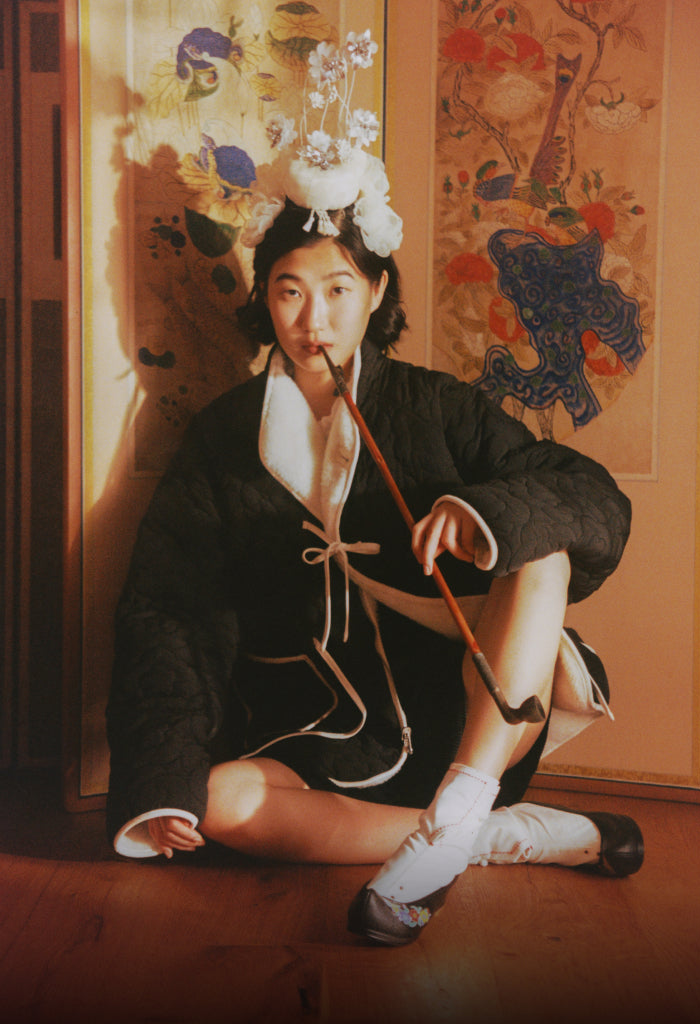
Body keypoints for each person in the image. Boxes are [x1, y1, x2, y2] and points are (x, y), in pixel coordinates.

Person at [106, 32, 643, 947]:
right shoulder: (226, 435)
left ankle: (465, 803)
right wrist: (160, 780)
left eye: (338, 290)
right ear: (264, 298)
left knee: (540, 542)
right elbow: (169, 610)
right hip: (317, 723)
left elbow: (590, 495)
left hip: (471, 711)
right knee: (219, 801)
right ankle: (487, 840)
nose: (314, 320)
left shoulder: (437, 406)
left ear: (375, 289)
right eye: (288, 292)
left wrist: (480, 518)